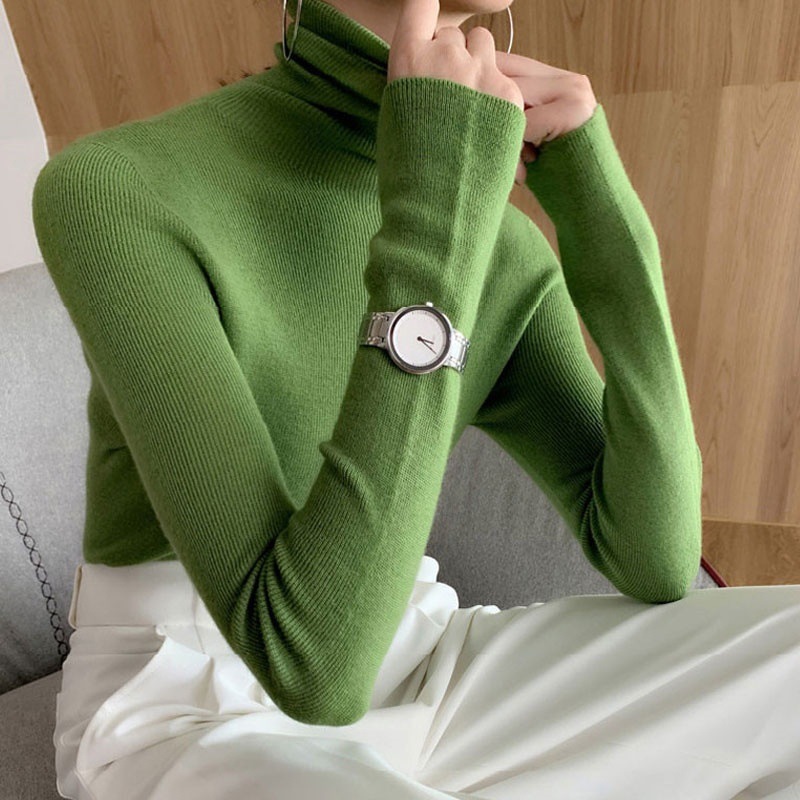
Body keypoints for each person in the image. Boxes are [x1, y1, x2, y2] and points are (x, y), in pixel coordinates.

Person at [32, 0, 800, 795]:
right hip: (185, 701)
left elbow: (657, 559)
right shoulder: (115, 189)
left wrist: (602, 217)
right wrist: (438, 217)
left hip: (419, 658)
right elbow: (312, 665)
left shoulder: (495, 241)